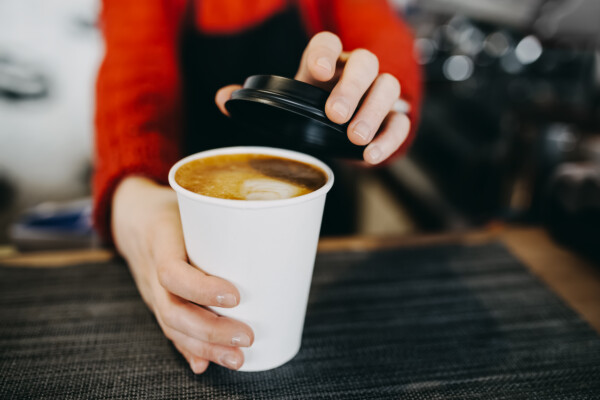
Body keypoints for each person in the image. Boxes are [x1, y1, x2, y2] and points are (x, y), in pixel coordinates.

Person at [94, 0, 422, 374]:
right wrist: (135, 197)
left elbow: (380, 33)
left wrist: (372, 102)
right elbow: (134, 77)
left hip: (324, 233)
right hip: (190, 224)